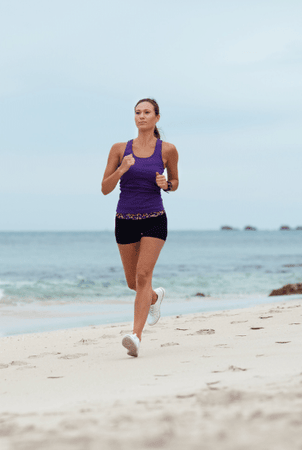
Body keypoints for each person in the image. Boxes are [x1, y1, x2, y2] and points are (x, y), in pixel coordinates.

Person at [101, 98, 179, 357]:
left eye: (147, 112)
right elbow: (105, 188)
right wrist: (122, 168)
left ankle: (135, 336)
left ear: (157, 117)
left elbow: (175, 181)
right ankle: (155, 299)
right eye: (137, 113)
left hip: (155, 218)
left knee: (144, 276)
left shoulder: (167, 150)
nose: (141, 116)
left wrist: (165, 184)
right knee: (134, 284)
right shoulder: (119, 149)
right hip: (124, 220)